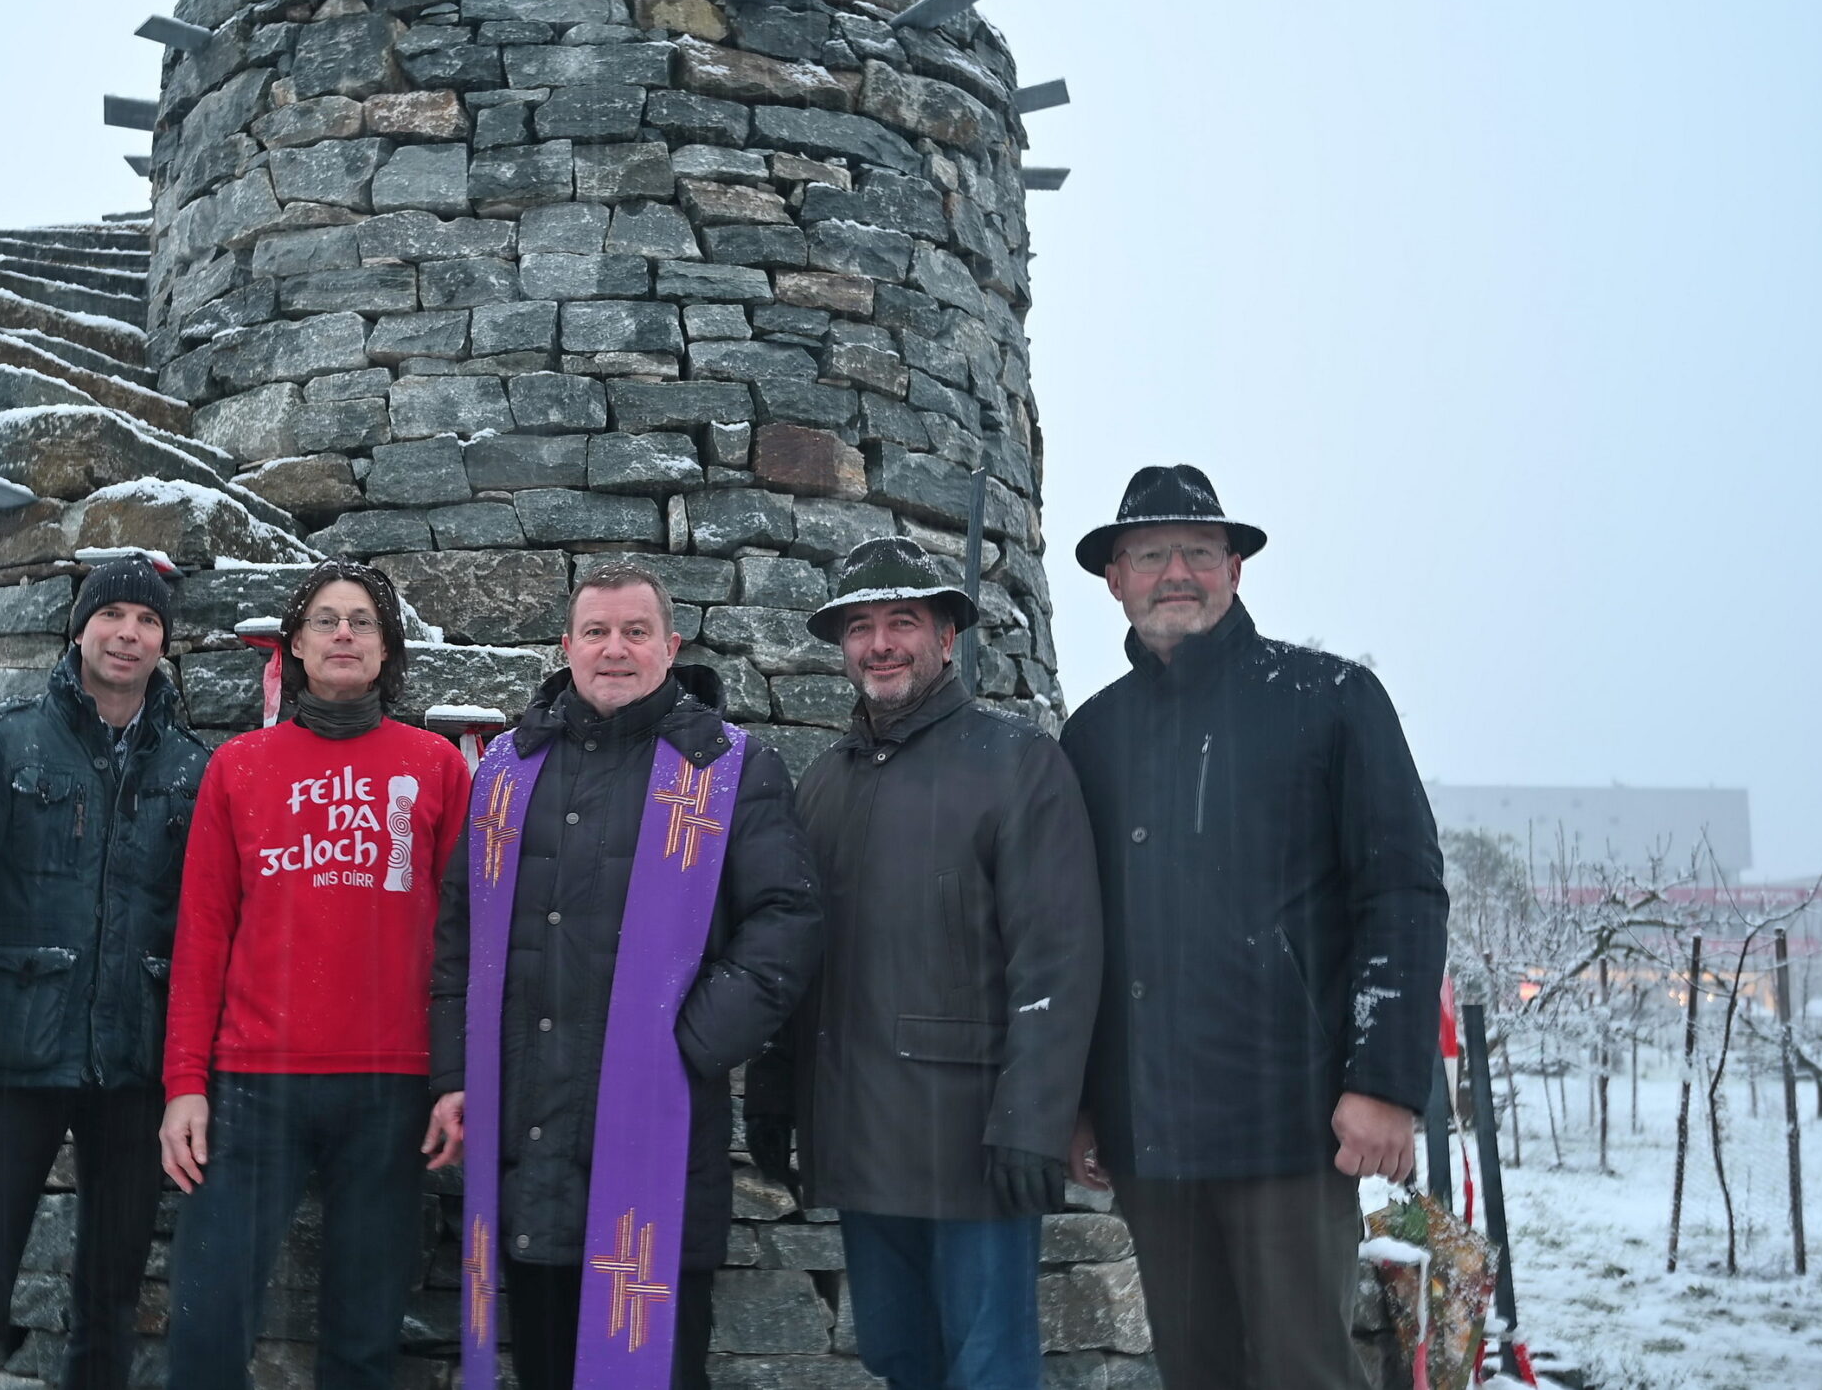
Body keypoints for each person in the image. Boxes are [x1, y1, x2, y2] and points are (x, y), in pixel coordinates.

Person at [1059, 465, 1448, 1390]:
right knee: (1198, 1373)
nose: (1175, 573)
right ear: (1115, 578)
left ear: (1236, 568)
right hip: (1149, 1130)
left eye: (1199, 551)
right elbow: (1073, 933)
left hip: (1289, 1119)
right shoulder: (1092, 737)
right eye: (1150, 555)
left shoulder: (1330, 699)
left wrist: (1385, 1084)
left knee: (1301, 1371)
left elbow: (1401, 891)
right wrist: (1080, 1100)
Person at [431, 562, 822, 1390]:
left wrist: (684, 1044)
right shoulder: (507, 772)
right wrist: (455, 1074)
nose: (616, 650)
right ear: (566, 646)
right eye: (598, 632)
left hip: (659, 1137)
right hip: (530, 1144)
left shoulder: (729, 769)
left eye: (636, 632)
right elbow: (460, 935)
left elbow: (787, 920)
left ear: (670, 647)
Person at [750, 537, 1100, 1390]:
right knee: (899, 1360)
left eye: (903, 621)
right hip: (861, 1142)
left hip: (974, 1144)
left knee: (988, 1370)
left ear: (948, 637)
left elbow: (1057, 958)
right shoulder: (823, 784)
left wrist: (1032, 1121)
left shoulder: (1018, 763)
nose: (881, 644)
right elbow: (799, 952)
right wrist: (776, 1082)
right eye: (861, 626)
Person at [157, 560, 472, 1390]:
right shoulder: (240, 767)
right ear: (294, 645)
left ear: (385, 647)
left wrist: (453, 1077)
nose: (343, 633)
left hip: (389, 1087)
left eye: (361, 621)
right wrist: (185, 1084)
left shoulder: (437, 766)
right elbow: (201, 935)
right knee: (205, 1323)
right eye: (326, 620)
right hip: (254, 1085)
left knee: (365, 1339)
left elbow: (461, 939)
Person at [0, 555, 210, 1389]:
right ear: (78, 627)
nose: (129, 633)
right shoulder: (5, 742)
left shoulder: (192, 769)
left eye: (148, 620)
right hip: (10, 1058)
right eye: (112, 614)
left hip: (133, 1066)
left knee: (110, 1295)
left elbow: (199, 926)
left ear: (164, 641)